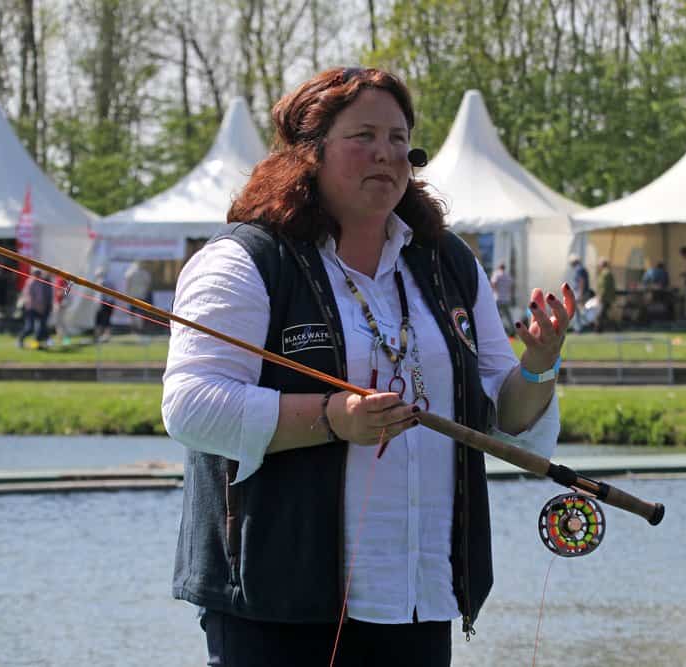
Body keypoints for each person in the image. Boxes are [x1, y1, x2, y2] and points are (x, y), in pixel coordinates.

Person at [161, 67, 572, 667]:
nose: (387, 153)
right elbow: (192, 408)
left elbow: (504, 417)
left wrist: (538, 365)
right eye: (364, 137)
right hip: (276, 602)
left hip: (416, 597)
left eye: (400, 139)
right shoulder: (243, 260)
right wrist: (332, 417)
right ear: (309, 153)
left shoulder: (447, 262)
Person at [16, 269, 52, 348]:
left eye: (39, 273)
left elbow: (42, 296)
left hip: (39, 309)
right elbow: (29, 297)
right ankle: (20, 340)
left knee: (42, 327)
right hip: (30, 309)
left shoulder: (41, 282)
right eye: (37, 273)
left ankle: (38, 343)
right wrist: (37, 307)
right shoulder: (30, 282)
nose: (39, 275)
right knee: (30, 328)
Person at [123, 261, 152, 333]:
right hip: (141, 295)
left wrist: (127, 293)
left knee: (133, 313)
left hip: (132, 296)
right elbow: (148, 284)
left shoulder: (130, 272)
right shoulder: (145, 273)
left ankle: (135, 328)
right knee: (140, 312)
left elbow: (127, 283)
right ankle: (139, 328)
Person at [489, 261, 514, 334]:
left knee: (496, 316)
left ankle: (495, 331)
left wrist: (494, 291)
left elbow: (493, 283)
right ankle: (512, 331)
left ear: (499, 267)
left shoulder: (497, 274)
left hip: (498, 298)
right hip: (506, 299)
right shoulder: (508, 276)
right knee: (508, 317)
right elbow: (511, 287)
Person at [568, 254, 591, 332]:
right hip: (581, 292)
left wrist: (580, 294)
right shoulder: (582, 269)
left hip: (579, 293)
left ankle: (580, 327)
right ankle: (580, 327)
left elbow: (581, 281)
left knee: (580, 310)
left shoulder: (579, 269)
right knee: (580, 310)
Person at [93, 269, 115, 342]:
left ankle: (98, 336)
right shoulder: (110, 282)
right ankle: (106, 336)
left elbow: (100, 295)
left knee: (99, 320)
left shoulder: (101, 282)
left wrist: (98, 303)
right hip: (110, 303)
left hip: (103, 303)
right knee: (107, 320)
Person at [597, 257, 616, 332]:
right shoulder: (605, 273)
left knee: (601, 314)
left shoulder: (605, 274)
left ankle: (598, 329)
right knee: (605, 314)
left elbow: (604, 287)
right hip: (607, 297)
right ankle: (615, 327)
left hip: (605, 298)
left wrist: (600, 296)